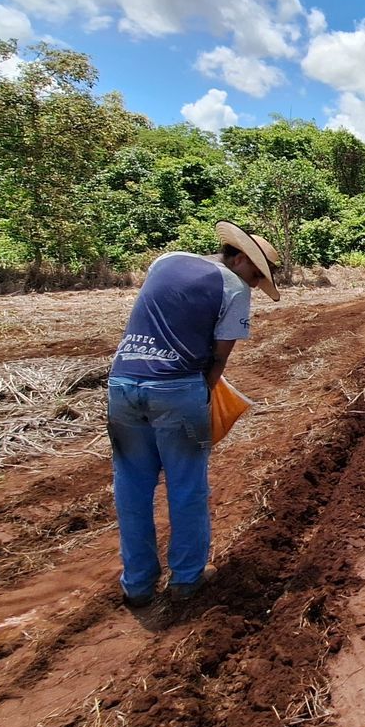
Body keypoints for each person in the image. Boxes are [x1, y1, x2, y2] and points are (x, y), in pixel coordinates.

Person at [108, 220, 279, 607]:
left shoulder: (167, 260)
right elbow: (218, 359)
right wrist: (201, 395)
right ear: (238, 258)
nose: (253, 284)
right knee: (186, 486)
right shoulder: (233, 288)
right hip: (177, 388)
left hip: (121, 382)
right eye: (255, 275)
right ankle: (186, 579)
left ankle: (136, 584)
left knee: (131, 488)